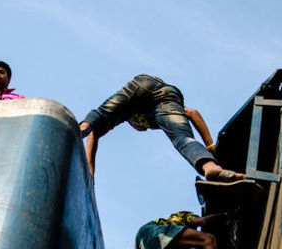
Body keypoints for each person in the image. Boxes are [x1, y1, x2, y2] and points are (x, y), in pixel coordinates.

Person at [79, 74, 244, 182]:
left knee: (102, 113)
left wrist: (90, 173)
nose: (144, 129)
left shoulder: (124, 114)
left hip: (143, 84)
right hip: (168, 94)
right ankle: (211, 168)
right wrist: (209, 146)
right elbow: (192, 113)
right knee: (182, 138)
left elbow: (95, 133)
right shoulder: (133, 116)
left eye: (142, 127)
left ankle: (80, 128)